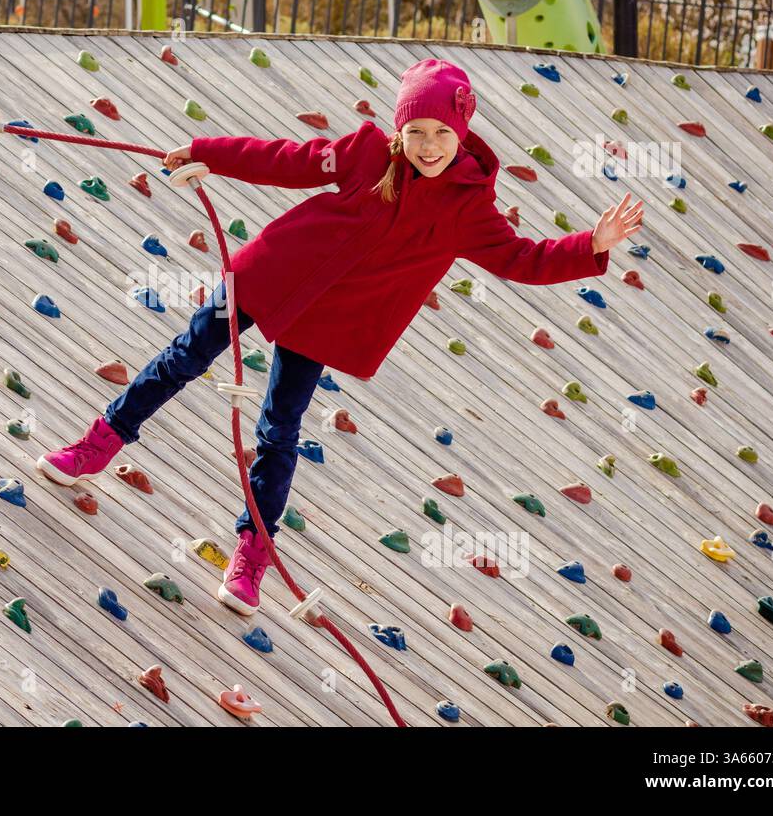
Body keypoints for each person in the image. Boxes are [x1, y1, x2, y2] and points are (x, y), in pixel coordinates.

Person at [36, 58, 643, 615]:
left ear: (463, 134)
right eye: (418, 132)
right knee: (185, 358)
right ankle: (99, 443)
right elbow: (285, 160)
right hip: (269, 273)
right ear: (400, 130)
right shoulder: (367, 156)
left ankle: (252, 552)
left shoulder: (467, 206)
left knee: (279, 425)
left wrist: (589, 245)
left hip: (329, 319)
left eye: (441, 134)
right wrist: (205, 152)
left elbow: (521, 258)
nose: (428, 147)